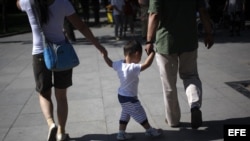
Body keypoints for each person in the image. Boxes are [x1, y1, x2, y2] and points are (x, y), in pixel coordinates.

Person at [16, 0, 107, 141]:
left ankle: (51, 123)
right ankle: (61, 132)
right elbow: (81, 26)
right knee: (61, 96)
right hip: (61, 53)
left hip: (40, 54)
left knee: (44, 93)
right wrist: (99, 47)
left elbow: (18, 4)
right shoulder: (63, 3)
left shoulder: (28, 2)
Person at [145, 0, 214, 129]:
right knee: (190, 76)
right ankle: (194, 105)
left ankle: (173, 120)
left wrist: (149, 40)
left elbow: (154, 14)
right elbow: (203, 11)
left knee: (169, 84)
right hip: (189, 41)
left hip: (166, 42)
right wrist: (208, 32)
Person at [103, 39, 162, 140]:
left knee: (126, 113)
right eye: (140, 56)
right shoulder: (132, 68)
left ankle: (121, 134)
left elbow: (110, 63)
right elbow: (147, 64)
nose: (140, 58)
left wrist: (105, 56)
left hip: (121, 96)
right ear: (136, 53)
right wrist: (152, 53)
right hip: (129, 98)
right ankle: (149, 130)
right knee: (140, 113)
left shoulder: (119, 64)